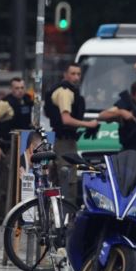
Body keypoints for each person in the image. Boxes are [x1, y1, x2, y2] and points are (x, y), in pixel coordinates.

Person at [44, 63, 100, 204]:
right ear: (66, 75)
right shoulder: (65, 92)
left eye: (78, 74)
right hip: (64, 142)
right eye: (73, 73)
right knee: (68, 179)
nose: (76, 77)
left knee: (57, 179)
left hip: (61, 139)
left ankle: (55, 215)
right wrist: (89, 124)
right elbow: (66, 119)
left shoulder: (64, 90)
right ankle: (68, 216)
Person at [0, 77, 34, 223]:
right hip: (8, 147)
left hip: (24, 147)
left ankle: (19, 213)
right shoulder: (5, 103)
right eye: (16, 88)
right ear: (11, 89)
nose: (20, 91)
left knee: (23, 181)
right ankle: (1, 216)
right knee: (5, 183)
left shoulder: (28, 100)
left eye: (22, 87)